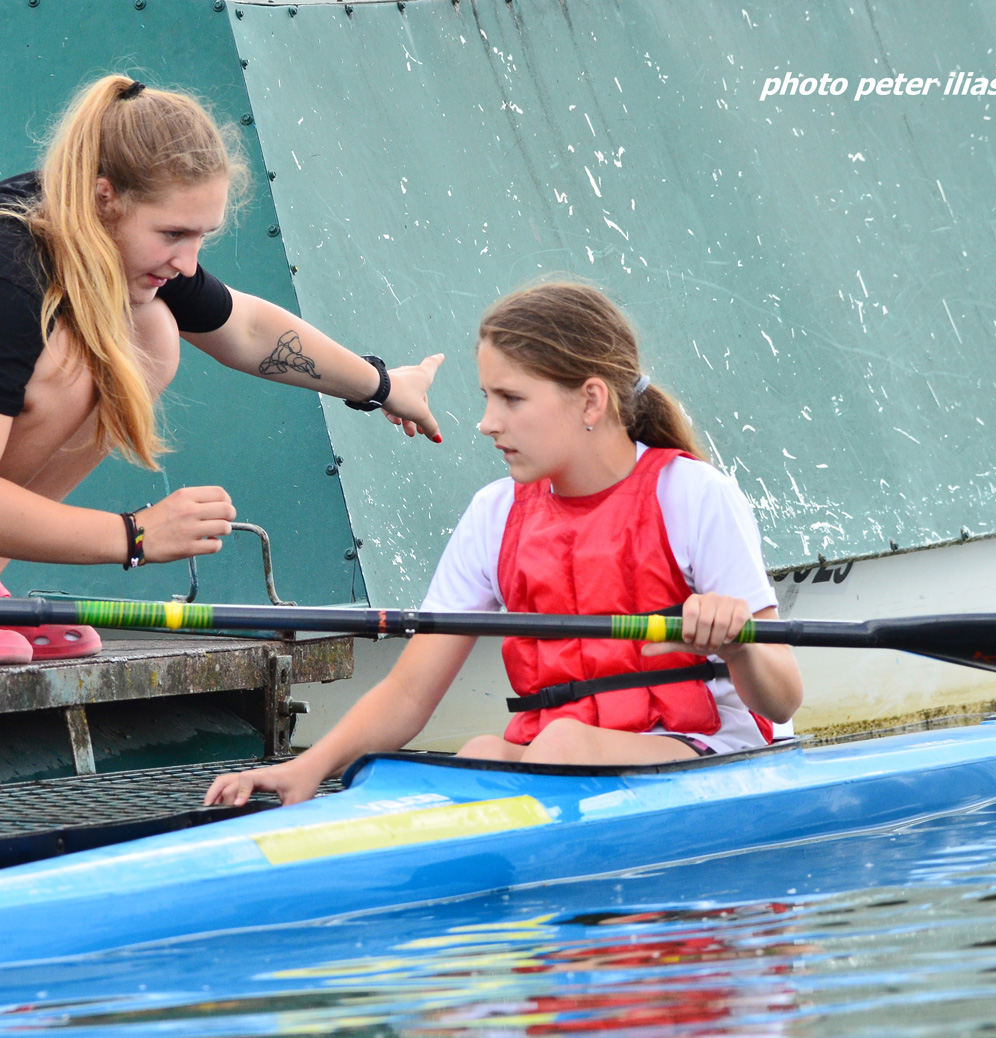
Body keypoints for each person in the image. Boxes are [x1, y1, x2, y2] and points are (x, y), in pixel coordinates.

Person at [0, 75, 443, 670]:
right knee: (64, 362)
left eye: (202, 237)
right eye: (175, 235)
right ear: (105, 197)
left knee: (152, 331)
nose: (188, 261)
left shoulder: (103, 240)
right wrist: (134, 535)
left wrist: (381, 384)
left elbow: (244, 327)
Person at [205, 280, 802, 807]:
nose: (487, 422)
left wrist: (743, 644)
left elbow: (781, 699)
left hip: (718, 754)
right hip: (567, 755)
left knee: (561, 746)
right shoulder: (495, 515)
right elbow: (411, 691)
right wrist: (305, 769)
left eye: (511, 399)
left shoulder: (692, 494)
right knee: (483, 750)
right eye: (487, 397)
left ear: (592, 399)